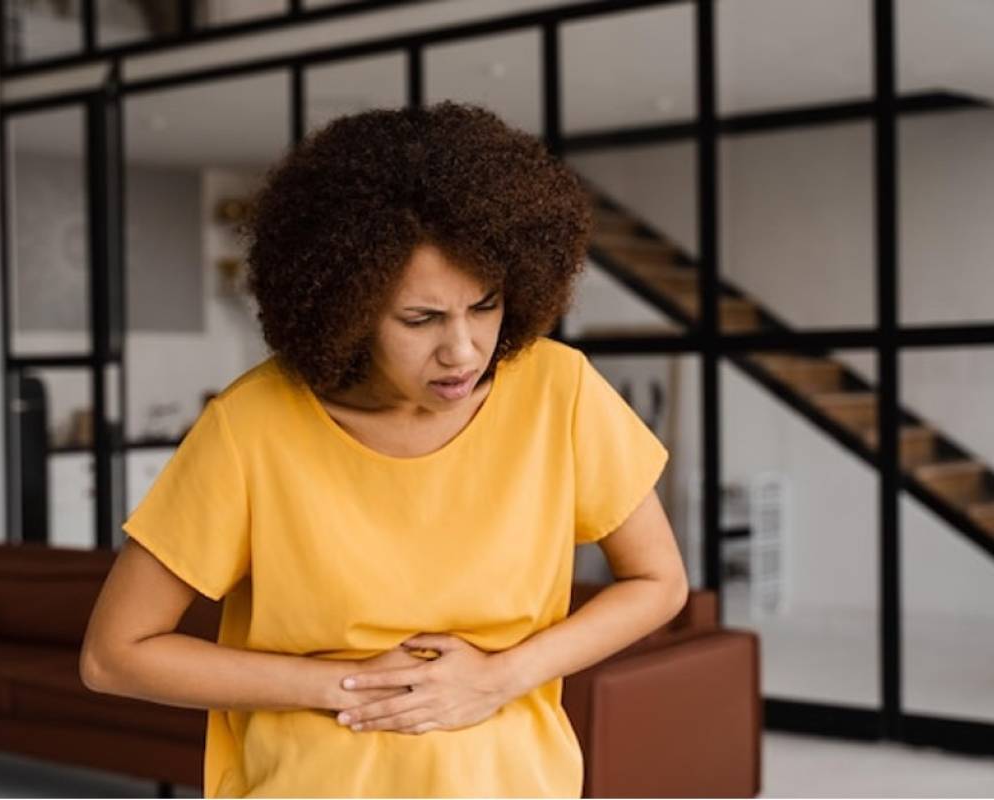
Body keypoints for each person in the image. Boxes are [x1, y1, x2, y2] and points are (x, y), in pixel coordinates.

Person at [80, 100, 689, 798]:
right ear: (348, 307)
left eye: (484, 305)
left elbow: (658, 582)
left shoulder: (561, 391)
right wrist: (354, 685)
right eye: (420, 318)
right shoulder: (251, 426)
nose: (462, 350)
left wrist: (498, 678)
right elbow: (113, 655)